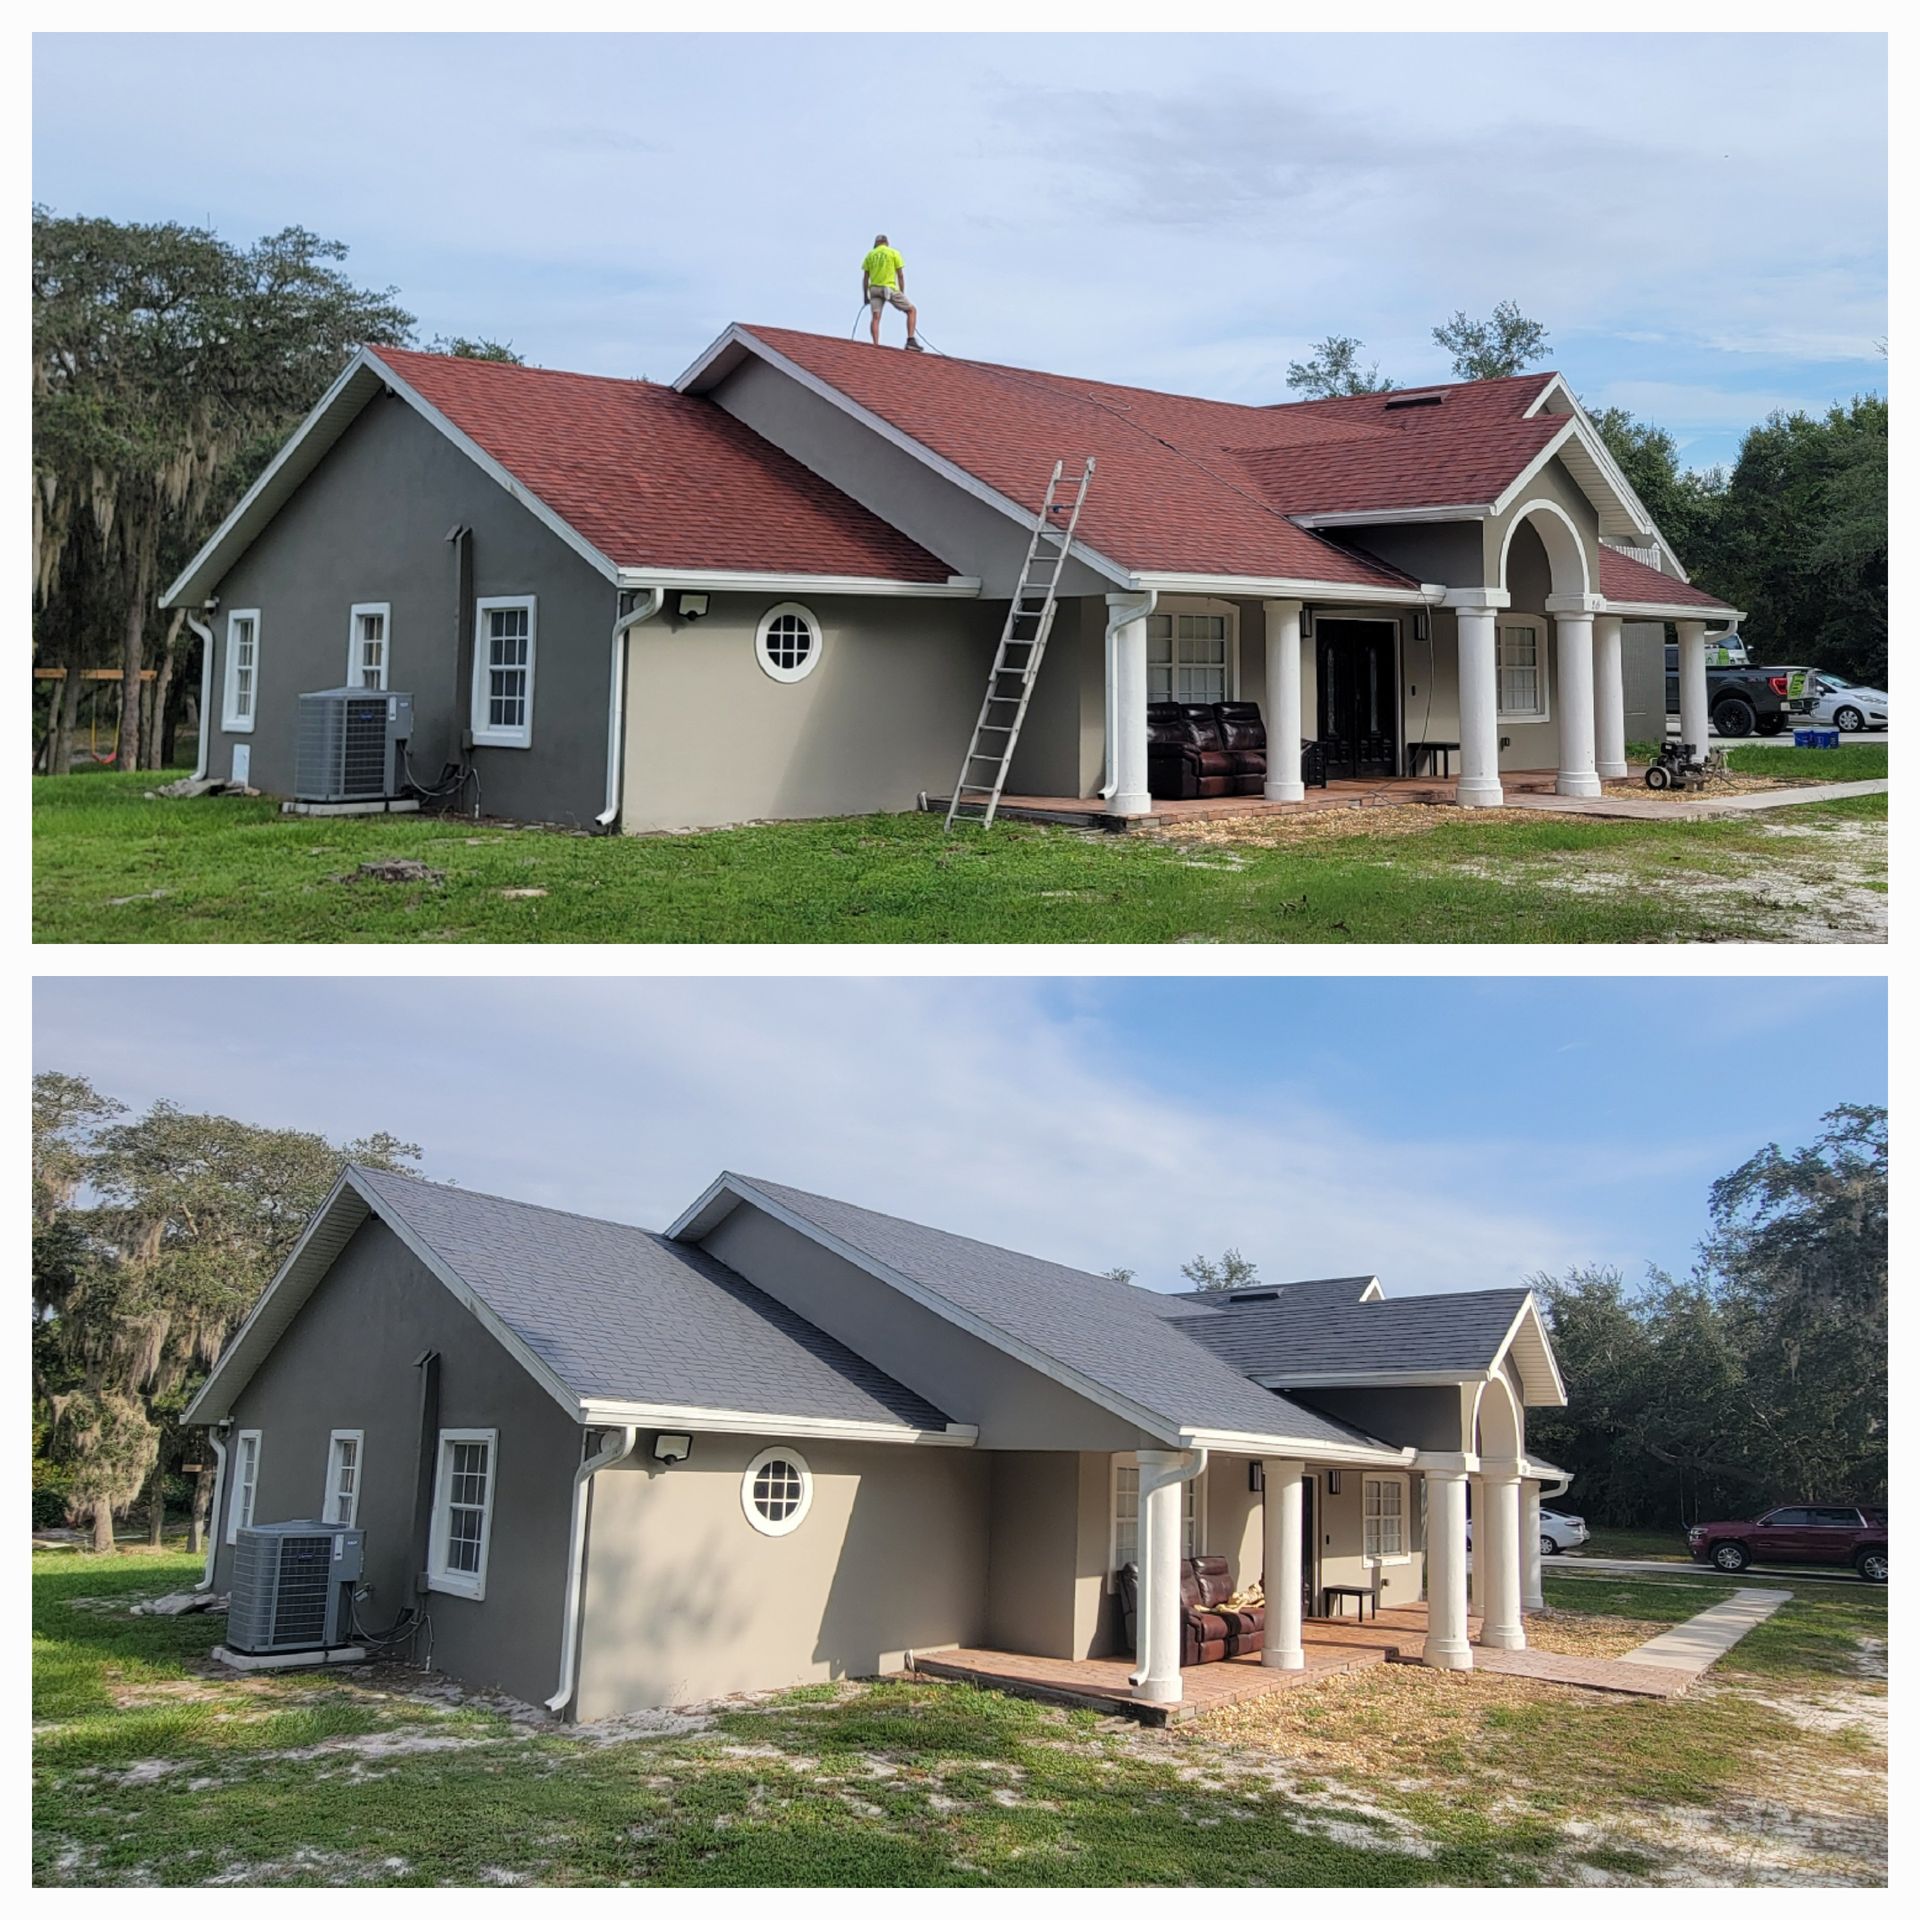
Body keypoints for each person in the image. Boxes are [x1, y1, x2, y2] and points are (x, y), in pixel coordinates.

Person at [861, 234, 922, 351]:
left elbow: (865, 278)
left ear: (876, 244)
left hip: (874, 289)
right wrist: (902, 292)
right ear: (886, 243)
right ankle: (910, 340)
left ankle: (875, 345)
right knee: (911, 310)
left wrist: (865, 296)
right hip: (888, 288)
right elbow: (900, 275)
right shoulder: (893, 253)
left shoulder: (870, 255)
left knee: (875, 317)